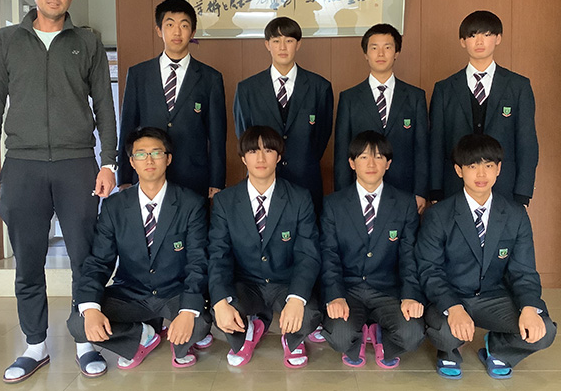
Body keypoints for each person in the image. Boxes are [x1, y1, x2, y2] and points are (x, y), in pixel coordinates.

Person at [0, 0, 117, 384]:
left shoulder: (87, 42)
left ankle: (85, 340)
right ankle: (35, 344)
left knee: (85, 259)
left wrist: (108, 161)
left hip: (77, 164)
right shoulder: (5, 41)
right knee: (28, 261)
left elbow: (105, 106)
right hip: (23, 165)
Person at [67, 127, 211, 375]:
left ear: (168, 158)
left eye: (156, 153)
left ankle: (178, 336)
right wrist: (91, 308)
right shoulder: (114, 206)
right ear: (132, 162)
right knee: (79, 323)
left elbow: (198, 261)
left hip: (174, 292)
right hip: (130, 292)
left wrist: (188, 311)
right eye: (141, 154)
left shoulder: (191, 203)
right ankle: (142, 335)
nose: (149, 160)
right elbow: (99, 262)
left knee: (200, 323)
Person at [416, 134, 556, 380]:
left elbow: (524, 271)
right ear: (459, 170)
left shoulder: (515, 215)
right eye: (472, 166)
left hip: (494, 297)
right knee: (445, 333)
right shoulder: (438, 215)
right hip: (452, 295)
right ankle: (449, 350)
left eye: (488, 165)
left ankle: (499, 348)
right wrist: (453, 308)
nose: (481, 174)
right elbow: (429, 270)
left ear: (498, 169)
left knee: (543, 331)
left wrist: (528, 307)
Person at [208, 126, 322, 368]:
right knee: (221, 311)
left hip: (285, 281)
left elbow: (308, 254)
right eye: (253, 151)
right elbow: (218, 255)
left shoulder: (300, 197)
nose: (260, 158)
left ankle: (292, 339)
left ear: (278, 157)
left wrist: (296, 298)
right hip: (246, 283)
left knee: (310, 313)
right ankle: (249, 330)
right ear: (243, 158)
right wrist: (220, 302)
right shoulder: (225, 201)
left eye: (268, 150)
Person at [321, 131, 425, 369]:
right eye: (364, 157)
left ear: (388, 163)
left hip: (388, 290)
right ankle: (359, 335)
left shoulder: (405, 203)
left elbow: (409, 255)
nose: (371, 164)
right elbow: (329, 254)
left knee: (412, 335)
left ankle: (380, 335)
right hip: (348, 289)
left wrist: (410, 295)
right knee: (339, 337)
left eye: (378, 157)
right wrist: (335, 295)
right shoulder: (334, 204)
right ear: (352, 163)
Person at [118, 0, 226, 199]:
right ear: (159, 30)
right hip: (147, 173)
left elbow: (217, 136)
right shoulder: (139, 74)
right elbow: (127, 127)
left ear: (192, 32)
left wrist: (216, 181)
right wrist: (123, 177)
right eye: (170, 25)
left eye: (184, 25)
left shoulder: (210, 78)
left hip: (193, 176)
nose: (177, 32)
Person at [429, 10, 538, 205]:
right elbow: (436, 143)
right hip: (454, 186)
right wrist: (436, 191)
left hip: (505, 187)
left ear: (498, 38)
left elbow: (527, 143)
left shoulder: (518, 86)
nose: (479, 41)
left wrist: (523, 192)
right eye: (472, 35)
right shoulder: (444, 88)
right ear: (463, 41)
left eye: (486, 34)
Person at [233, 17, 333, 212]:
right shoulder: (247, 89)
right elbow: (245, 135)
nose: (282, 47)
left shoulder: (319, 87)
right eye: (276, 41)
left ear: (298, 44)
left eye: (289, 40)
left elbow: (321, 136)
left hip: (305, 179)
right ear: (267, 45)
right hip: (262, 180)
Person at [334, 23, 428, 213]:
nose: (381, 53)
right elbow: (342, 149)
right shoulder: (349, 98)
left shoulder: (415, 96)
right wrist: (342, 194)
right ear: (366, 54)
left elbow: (421, 148)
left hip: (404, 187)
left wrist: (420, 191)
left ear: (396, 52)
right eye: (374, 48)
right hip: (361, 189)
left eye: (387, 47)